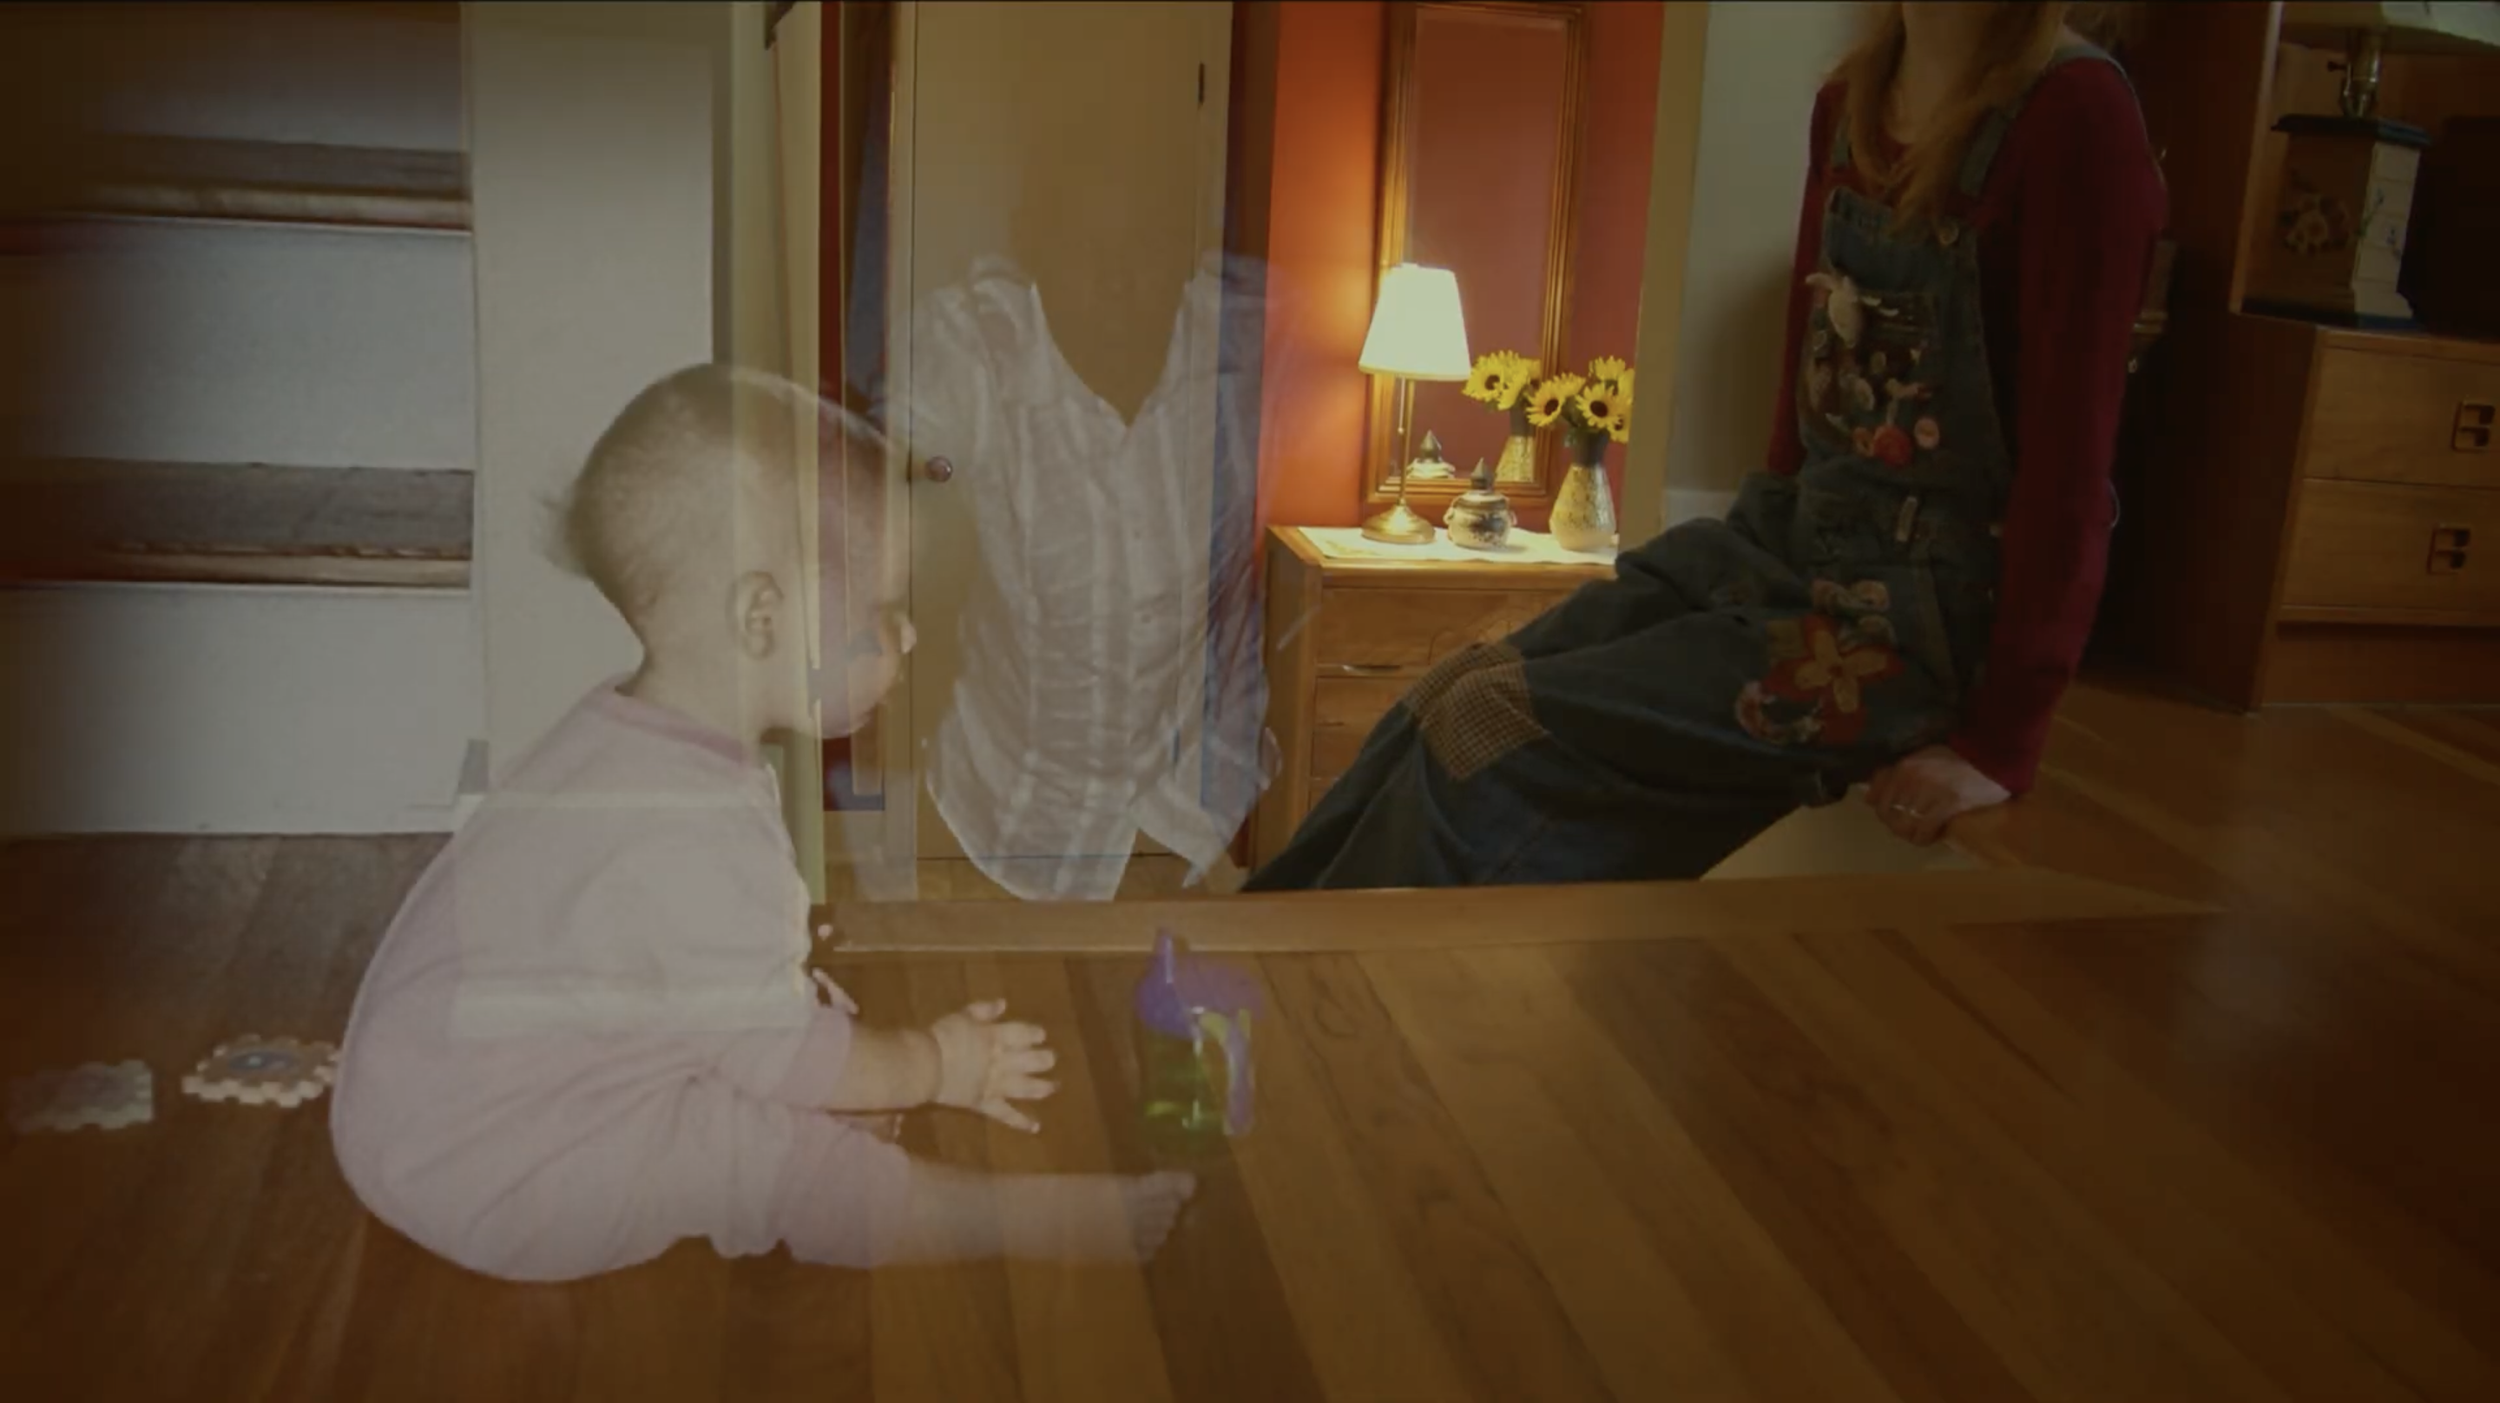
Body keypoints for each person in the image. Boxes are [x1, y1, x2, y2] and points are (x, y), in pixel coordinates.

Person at [1248, 1, 2166, 891]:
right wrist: (1759, 537)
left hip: (1920, 630)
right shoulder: (1850, 105)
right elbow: (1802, 383)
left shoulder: (2076, 116)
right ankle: (1256, 962)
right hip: (1790, 546)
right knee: (1454, 685)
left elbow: (2070, 474)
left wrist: (2000, 743)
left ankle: (1334, 1013)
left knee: (1492, 727)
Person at [330, 365, 1194, 1282]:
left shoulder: (621, 736)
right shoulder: (698, 835)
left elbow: (661, 964)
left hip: (409, 1104)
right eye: (881, 609)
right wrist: (934, 1063)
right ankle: (1037, 1222)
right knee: (765, 1158)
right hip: (500, 1172)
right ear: (760, 617)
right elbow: (780, 1053)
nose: (903, 637)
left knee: (774, 1047)